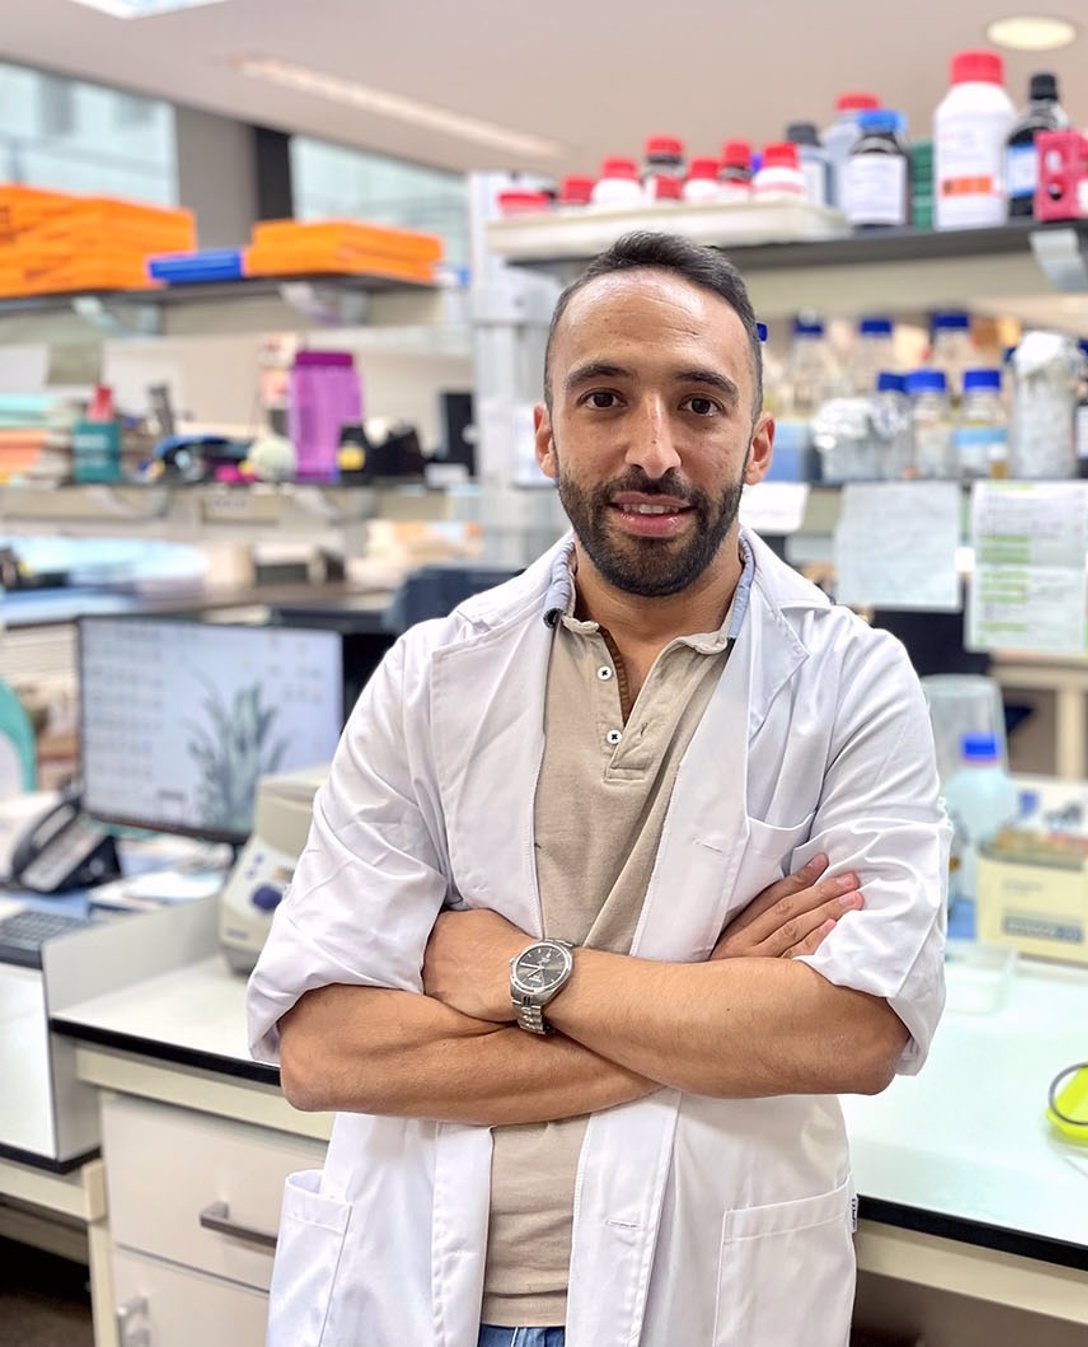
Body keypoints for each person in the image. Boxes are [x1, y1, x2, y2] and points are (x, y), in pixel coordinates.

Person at [246, 231, 949, 1347]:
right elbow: (327, 1050)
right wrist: (710, 1006)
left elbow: (852, 1032)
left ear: (759, 442)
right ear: (547, 435)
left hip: (701, 1297)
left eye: (701, 405)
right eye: (606, 398)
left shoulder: (853, 681)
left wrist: (524, 972)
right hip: (417, 1284)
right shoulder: (432, 675)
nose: (653, 451)